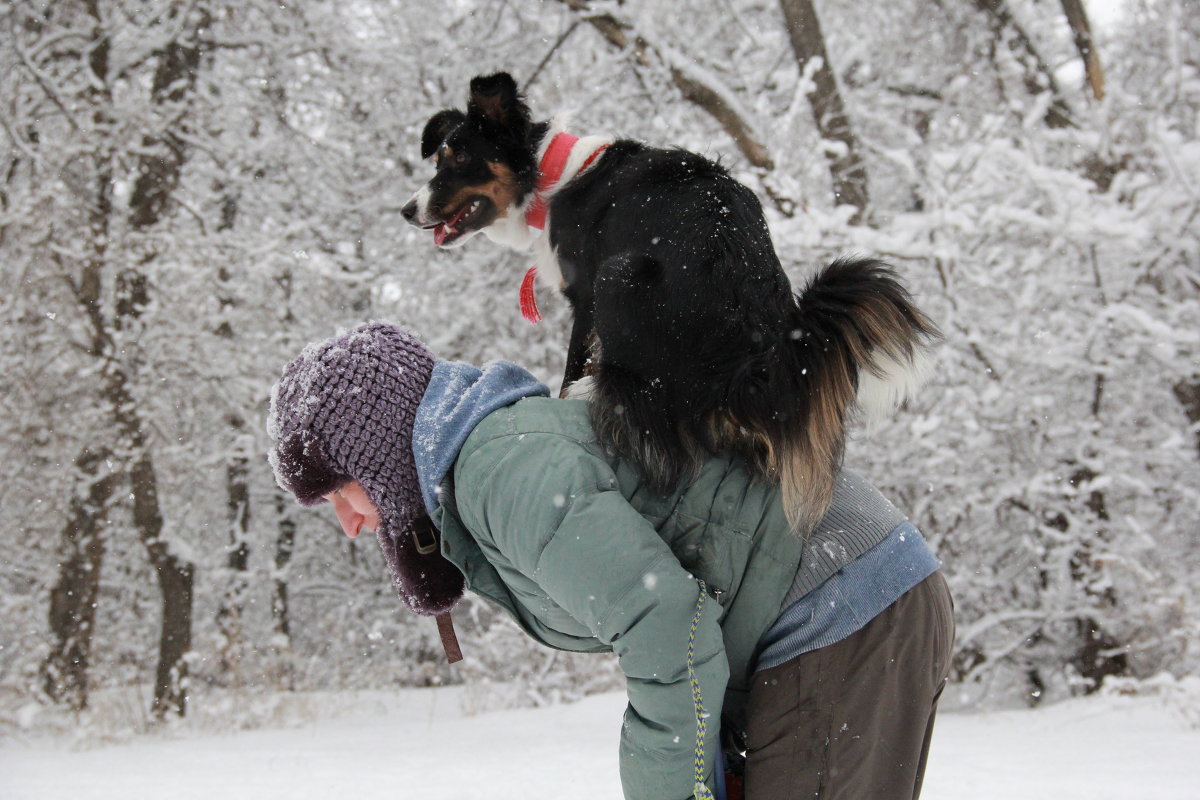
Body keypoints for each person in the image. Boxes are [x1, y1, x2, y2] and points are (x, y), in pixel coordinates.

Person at [267, 322, 955, 800]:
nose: (350, 523)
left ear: (375, 457)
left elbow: (667, 627)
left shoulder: (499, 472)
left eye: (339, 491)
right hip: (835, 605)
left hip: (840, 607)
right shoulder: (494, 461)